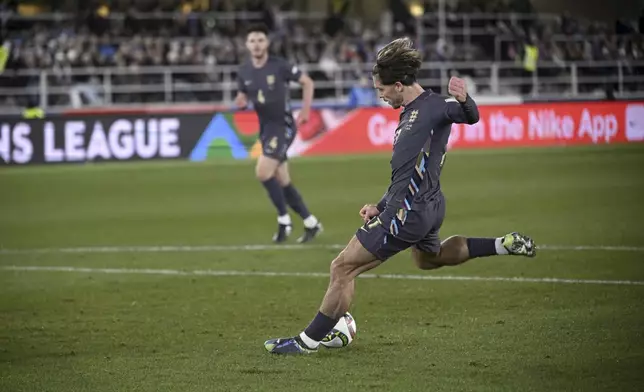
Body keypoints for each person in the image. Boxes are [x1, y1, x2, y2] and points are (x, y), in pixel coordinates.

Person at [264, 37, 536, 355]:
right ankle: (501, 245)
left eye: (381, 90)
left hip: (408, 213)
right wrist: (379, 206)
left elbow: (470, 116)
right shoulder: (409, 112)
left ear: (397, 85)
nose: (379, 96)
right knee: (427, 258)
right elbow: (405, 173)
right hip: (428, 207)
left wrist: (464, 100)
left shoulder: (433, 106)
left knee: (342, 268)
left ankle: (306, 343)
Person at [235, 24, 322, 243]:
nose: (256, 44)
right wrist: (241, 101)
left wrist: (305, 110)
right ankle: (311, 223)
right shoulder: (244, 71)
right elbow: (243, 94)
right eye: (252, 40)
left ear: (267, 44)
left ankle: (284, 220)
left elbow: (307, 82)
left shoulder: (279, 66)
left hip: (282, 126)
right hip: (266, 129)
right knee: (282, 180)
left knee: (263, 172)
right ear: (247, 45)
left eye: (260, 40)